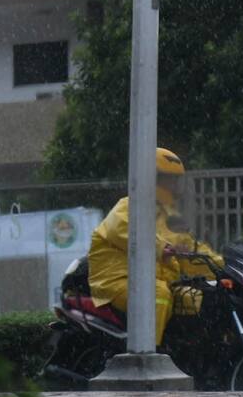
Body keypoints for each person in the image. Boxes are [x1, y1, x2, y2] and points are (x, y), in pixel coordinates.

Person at [86, 147, 223, 347]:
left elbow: (188, 247)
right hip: (117, 281)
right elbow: (124, 229)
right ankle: (148, 354)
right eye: (169, 179)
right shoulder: (129, 205)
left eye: (176, 180)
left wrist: (221, 266)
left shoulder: (168, 215)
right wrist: (160, 247)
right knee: (158, 295)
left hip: (154, 280)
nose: (174, 185)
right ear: (154, 178)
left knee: (197, 299)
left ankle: (186, 353)